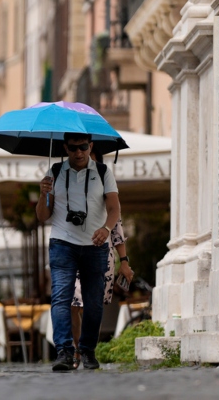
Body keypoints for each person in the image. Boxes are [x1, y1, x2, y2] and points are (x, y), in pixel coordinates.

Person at [36, 133, 121, 372]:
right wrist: (43, 194)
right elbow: (42, 216)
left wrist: (106, 228)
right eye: (73, 148)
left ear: (90, 146)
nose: (79, 152)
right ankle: (64, 351)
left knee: (93, 303)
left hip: (95, 246)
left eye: (83, 147)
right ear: (65, 148)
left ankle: (88, 351)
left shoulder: (103, 172)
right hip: (62, 243)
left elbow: (114, 209)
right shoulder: (54, 172)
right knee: (61, 298)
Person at [70, 151, 134, 369]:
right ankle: (78, 349)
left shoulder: (109, 195)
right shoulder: (72, 187)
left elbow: (117, 230)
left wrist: (124, 261)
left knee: (92, 306)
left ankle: (87, 349)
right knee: (72, 304)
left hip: (100, 255)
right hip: (74, 252)